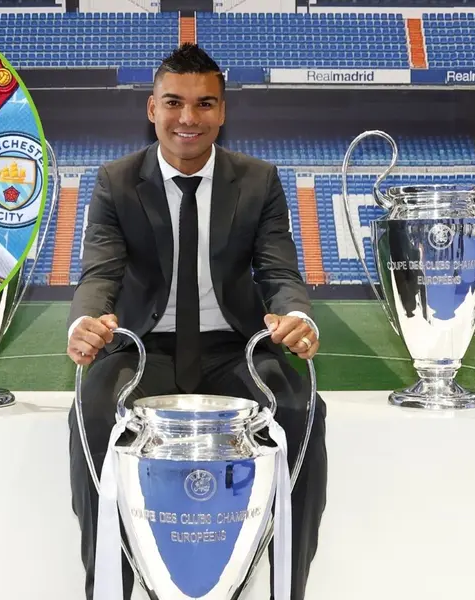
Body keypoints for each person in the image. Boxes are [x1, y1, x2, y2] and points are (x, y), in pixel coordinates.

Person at [64, 43, 329, 600]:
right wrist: (85, 322)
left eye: (204, 103)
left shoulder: (258, 180)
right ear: (151, 108)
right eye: (173, 103)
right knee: (93, 412)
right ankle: (107, 589)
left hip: (234, 348)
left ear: (222, 111)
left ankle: (289, 587)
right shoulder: (116, 180)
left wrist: (295, 317)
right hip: (144, 349)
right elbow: (99, 272)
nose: (188, 118)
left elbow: (279, 270)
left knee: (301, 409)